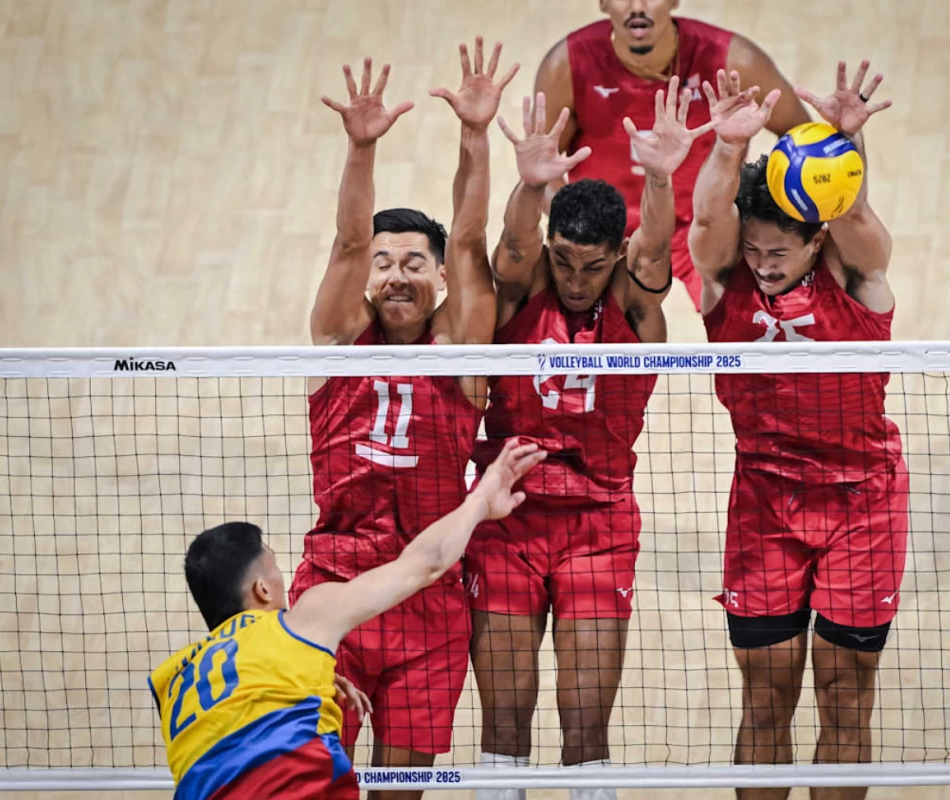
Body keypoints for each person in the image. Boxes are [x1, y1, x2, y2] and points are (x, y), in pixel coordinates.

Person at [465, 78, 718, 800]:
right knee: (503, 730)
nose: (576, 280)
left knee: (586, 738)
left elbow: (655, 250)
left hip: (598, 526)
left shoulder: (635, 305)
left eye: (593, 265)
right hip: (506, 518)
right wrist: (528, 187)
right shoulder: (522, 289)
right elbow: (514, 244)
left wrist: (660, 180)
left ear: (615, 257)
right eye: (564, 262)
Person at [286, 40, 517, 796]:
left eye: (414, 264)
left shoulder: (461, 354)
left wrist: (475, 136)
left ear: (439, 278)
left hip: (429, 596)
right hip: (335, 590)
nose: (394, 276)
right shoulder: (337, 342)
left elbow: (472, 241)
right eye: (384, 265)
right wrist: (362, 150)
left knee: (401, 789)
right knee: (314, 780)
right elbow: (350, 240)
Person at [688, 62, 906, 800]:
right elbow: (706, 228)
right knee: (766, 696)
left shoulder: (857, 280)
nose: (762, 265)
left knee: (844, 695)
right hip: (765, 499)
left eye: (778, 253)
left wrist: (844, 142)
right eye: (754, 251)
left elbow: (858, 220)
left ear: (816, 243)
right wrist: (728, 147)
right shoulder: (728, 285)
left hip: (862, 500)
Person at [148, 441, 545, 800]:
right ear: (262, 591)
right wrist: (480, 500)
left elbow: (237, 721)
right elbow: (426, 563)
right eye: (275, 569)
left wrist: (309, 675)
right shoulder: (302, 622)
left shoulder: (172, 679)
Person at [532, 0, 810, 311]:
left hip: (705, 225)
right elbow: (542, 172)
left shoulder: (735, 60)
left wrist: (770, 215)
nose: (638, 6)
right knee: (573, 325)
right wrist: (584, 231)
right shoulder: (566, 65)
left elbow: (803, 142)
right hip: (610, 232)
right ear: (603, 3)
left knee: (762, 319)